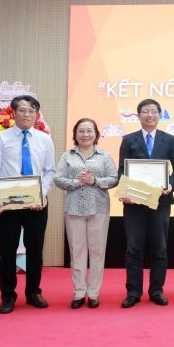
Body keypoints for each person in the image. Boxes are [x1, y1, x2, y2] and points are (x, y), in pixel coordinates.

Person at [0, 95, 56, 314]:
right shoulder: (0, 138)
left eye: (32, 111)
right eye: (23, 110)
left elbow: (49, 171)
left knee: (35, 249)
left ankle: (34, 292)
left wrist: (42, 194)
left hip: (37, 203)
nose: (27, 114)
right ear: (14, 113)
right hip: (8, 203)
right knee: (7, 250)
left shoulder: (44, 139)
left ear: (37, 114)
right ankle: (8, 296)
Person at [117, 99, 174, 308]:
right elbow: (122, 170)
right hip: (134, 202)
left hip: (160, 202)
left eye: (153, 111)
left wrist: (170, 185)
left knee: (159, 248)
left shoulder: (168, 139)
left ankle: (156, 290)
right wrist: (124, 192)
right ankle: (133, 292)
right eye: (145, 111)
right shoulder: (128, 139)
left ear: (160, 115)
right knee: (133, 249)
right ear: (138, 115)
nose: (150, 115)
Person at [55, 118, 118, 309]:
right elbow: (58, 179)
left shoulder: (104, 155)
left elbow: (114, 179)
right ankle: (79, 292)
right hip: (74, 208)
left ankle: (93, 293)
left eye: (89, 131)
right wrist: (77, 182)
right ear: (75, 134)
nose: (85, 134)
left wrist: (94, 180)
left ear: (96, 134)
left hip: (99, 207)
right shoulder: (67, 155)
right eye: (81, 131)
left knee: (97, 252)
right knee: (77, 252)